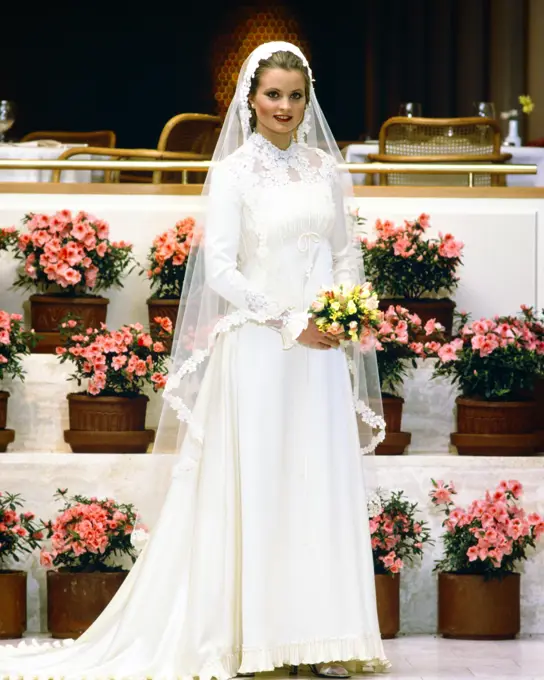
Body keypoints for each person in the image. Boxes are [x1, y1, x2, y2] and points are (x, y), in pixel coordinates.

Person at [0, 42, 389, 679]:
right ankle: (258, 644)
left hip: (320, 353)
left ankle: (324, 639)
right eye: (273, 95)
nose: (285, 107)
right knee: (261, 485)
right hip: (261, 348)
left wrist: (343, 310)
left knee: (316, 485)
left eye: (295, 95)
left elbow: (346, 253)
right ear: (250, 99)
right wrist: (289, 318)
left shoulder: (326, 168)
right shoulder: (235, 172)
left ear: (307, 97)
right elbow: (223, 269)